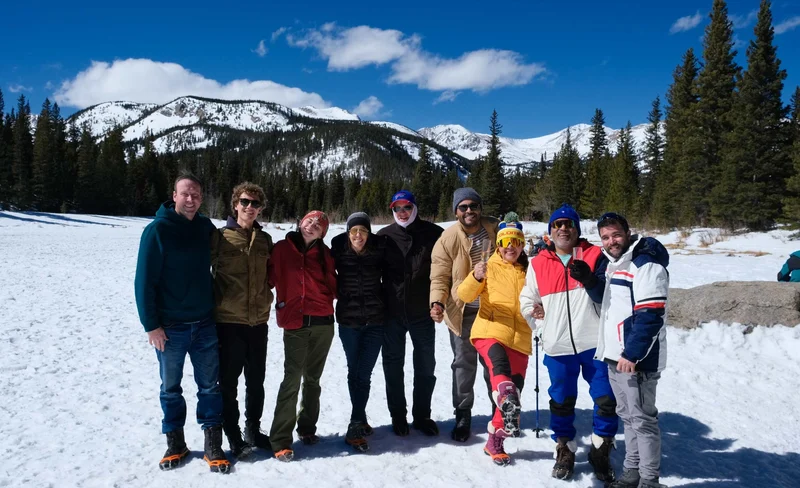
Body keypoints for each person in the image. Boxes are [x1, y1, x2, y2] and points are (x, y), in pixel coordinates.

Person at [134, 173, 230, 473]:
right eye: (185, 194)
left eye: (196, 195)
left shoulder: (204, 226)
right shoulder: (157, 231)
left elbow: (225, 251)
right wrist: (151, 325)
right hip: (170, 328)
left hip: (204, 324)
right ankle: (175, 442)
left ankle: (213, 443)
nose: (191, 199)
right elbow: (143, 282)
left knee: (210, 387)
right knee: (171, 388)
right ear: (174, 196)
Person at [519, 203, 617, 483]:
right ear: (550, 231)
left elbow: (609, 296)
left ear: (577, 228)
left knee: (606, 398)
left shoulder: (595, 255)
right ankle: (564, 448)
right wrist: (542, 328)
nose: (563, 228)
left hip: (595, 344)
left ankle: (601, 447)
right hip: (558, 346)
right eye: (557, 224)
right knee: (561, 400)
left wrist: (590, 280)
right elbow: (527, 301)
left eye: (569, 224)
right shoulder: (538, 262)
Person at [594, 213, 669, 488]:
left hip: (636, 361)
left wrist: (632, 354)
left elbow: (650, 315)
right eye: (605, 237)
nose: (611, 241)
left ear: (627, 233)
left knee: (643, 422)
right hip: (616, 357)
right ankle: (631, 474)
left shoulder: (645, 265)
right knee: (628, 418)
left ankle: (649, 481)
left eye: (616, 234)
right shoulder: (615, 264)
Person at [456, 213, 532, 466]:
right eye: (506, 242)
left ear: (522, 245)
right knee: (501, 374)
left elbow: (540, 298)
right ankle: (505, 397)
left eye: (516, 241)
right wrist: (475, 277)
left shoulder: (529, 271)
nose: (511, 247)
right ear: (498, 245)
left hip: (520, 337)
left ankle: (495, 441)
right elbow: (464, 295)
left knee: (514, 394)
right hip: (490, 331)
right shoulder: (488, 266)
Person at [430, 187, 499, 442]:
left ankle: (500, 412)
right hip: (462, 311)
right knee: (463, 364)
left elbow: (516, 253)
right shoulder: (447, 239)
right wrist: (437, 302)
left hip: (493, 311)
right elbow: (439, 276)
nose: (469, 211)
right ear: (456, 211)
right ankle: (462, 414)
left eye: (473, 206)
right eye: (463, 207)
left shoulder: (496, 230)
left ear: (480, 208)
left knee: (495, 364)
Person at [268, 210, 337, 462]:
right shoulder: (281, 249)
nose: (313, 225)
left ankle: (307, 428)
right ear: (301, 222)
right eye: (310, 220)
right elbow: (267, 279)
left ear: (322, 233)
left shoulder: (326, 254)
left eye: (319, 225)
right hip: (295, 324)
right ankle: (280, 440)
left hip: (323, 323)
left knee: (313, 379)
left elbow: (335, 286)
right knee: (291, 379)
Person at [210, 182, 273, 459]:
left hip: (258, 322)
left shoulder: (265, 240)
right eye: (245, 202)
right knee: (228, 383)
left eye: (255, 204)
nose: (249, 207)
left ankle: (253, 430)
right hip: (229, 322)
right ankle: (233, 435)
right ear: (235, 204)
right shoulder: (219, 237)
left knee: (256, 381)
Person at [378, 190, 444, 436]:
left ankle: (422, 416)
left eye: (407, 207)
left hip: (422, 312)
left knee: (425, 366)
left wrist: (440, 302)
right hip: (392, 313)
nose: (402, 212)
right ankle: (398, 416)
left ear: (415, 208)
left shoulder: (434, 234)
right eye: (397, 208)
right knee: (393, 366)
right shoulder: (383, 237)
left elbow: (444, 271)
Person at [331, 212, 387, 452]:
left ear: (369, 233)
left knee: (363, 373)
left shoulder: (379, 250)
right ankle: (360, 417)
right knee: (354, 371)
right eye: (354, 231)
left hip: (376, 321)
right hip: (349, 322)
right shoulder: (338, 250)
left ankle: (355, 424)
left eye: (363, 231)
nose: (358, 235)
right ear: (347, 233)